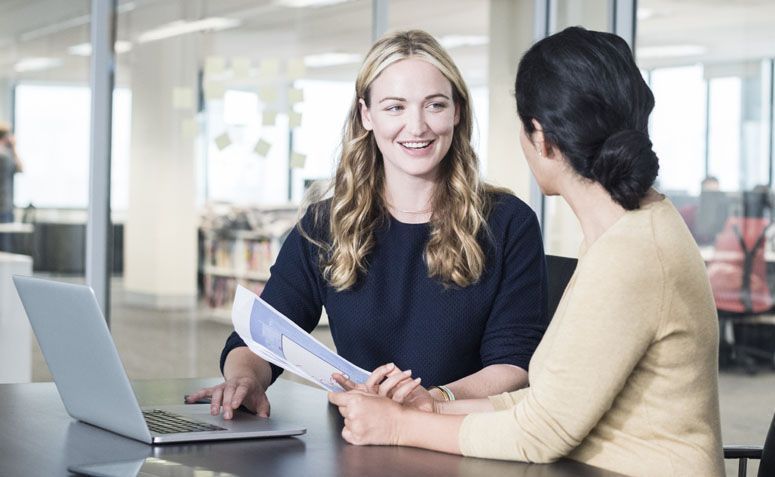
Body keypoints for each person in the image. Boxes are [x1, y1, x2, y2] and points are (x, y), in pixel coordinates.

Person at [328, 27, 724, 477]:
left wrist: (400, 426)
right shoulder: (624, 233)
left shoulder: (630, 255)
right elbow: (549, 401)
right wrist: (434, 407)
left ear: (541, 138)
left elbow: (541, 431)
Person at [187, 30, 547, 419]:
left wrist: (432, 400)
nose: (417, 126)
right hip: (357, 439)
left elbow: (513, 364)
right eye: (395, 107)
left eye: (435, 105)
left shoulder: (507, 222)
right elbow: (261, 335)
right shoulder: (326, 225)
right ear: (366, 115)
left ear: (457, 112)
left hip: (462, 437)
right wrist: (246, 379)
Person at [0, 122, 22, 224]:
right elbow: (20, 168)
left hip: (5, 205)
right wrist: (13, 148)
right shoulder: (5, 156)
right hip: (3, 206)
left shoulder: (6, 155)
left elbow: (20, 169)